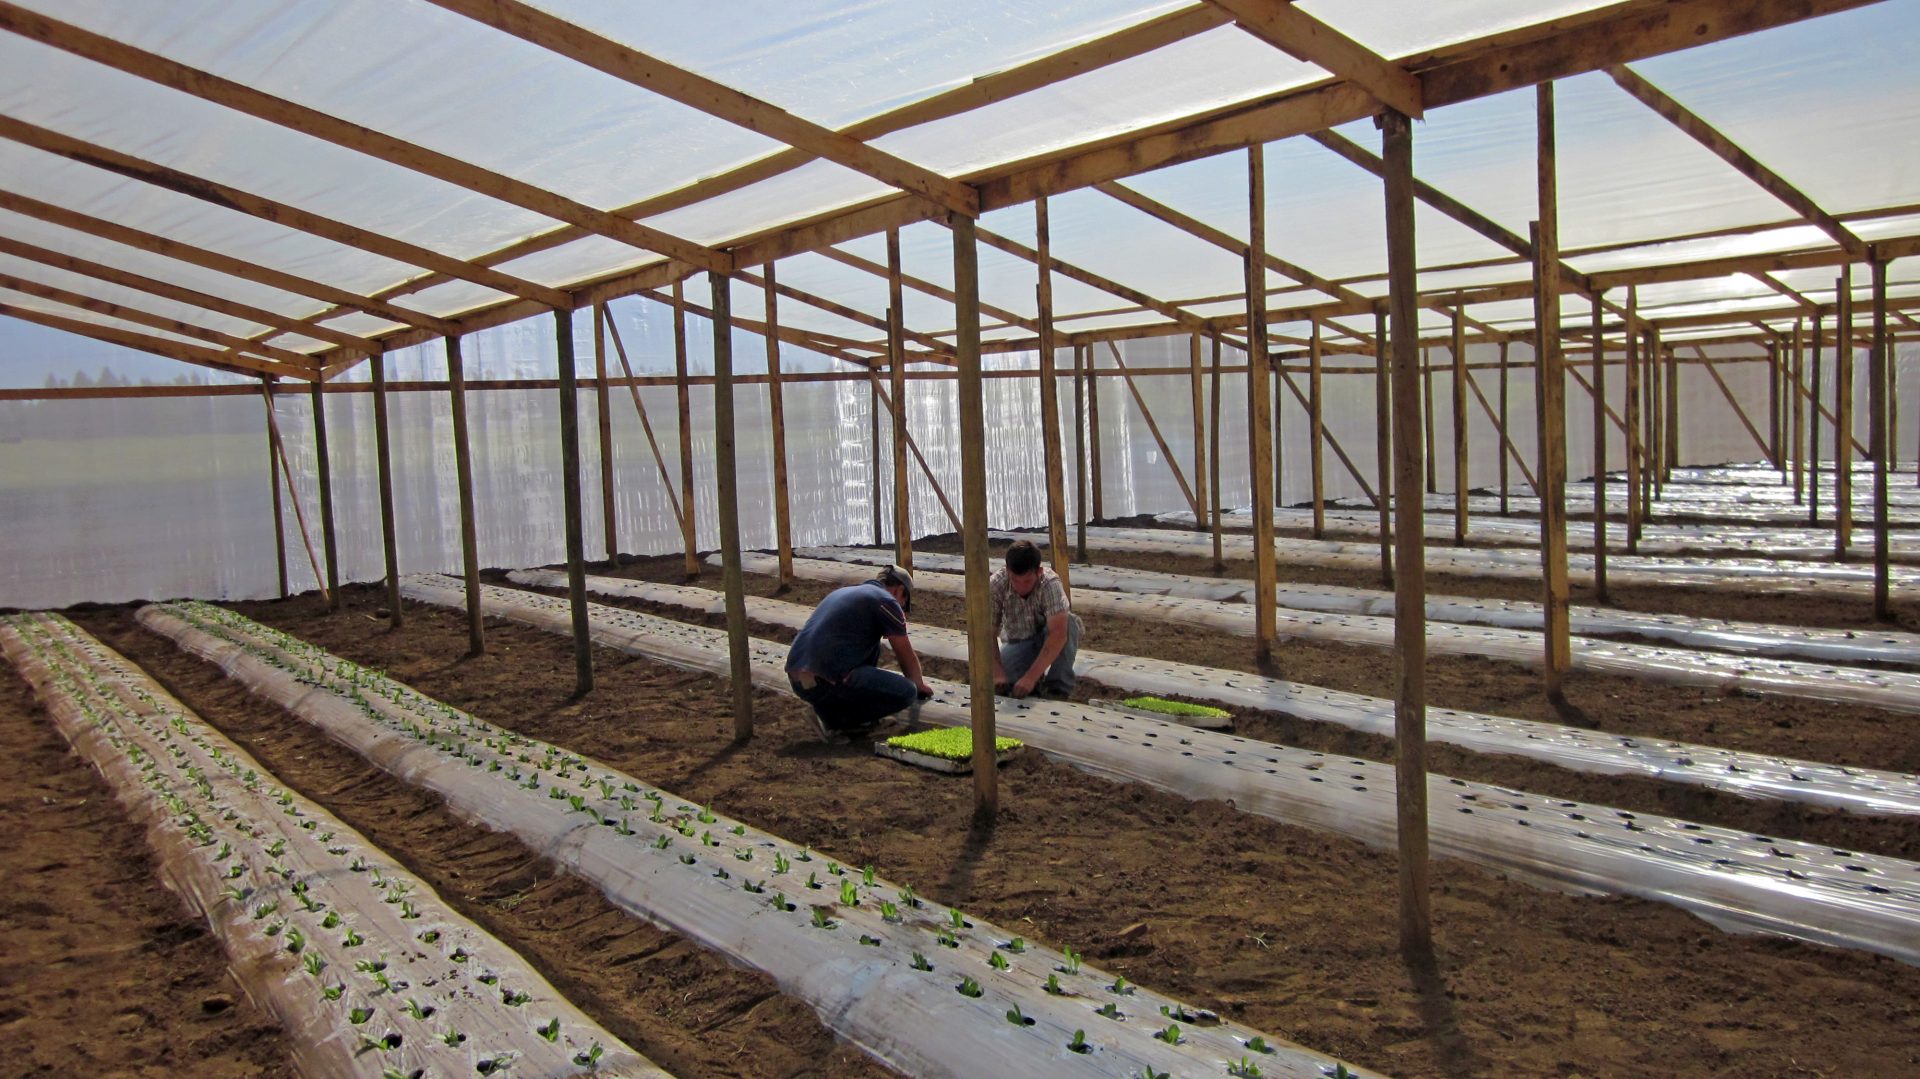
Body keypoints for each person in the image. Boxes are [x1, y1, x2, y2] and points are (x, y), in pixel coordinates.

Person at [785, 564, 933, 740]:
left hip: (798, 680)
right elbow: (904, 653)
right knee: (907, 692)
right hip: (825, 680)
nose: (902, 608)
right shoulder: (886, 601)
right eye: (904, 603)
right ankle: (834, 720)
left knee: (873, 648)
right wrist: (918, 685)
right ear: (899, 590)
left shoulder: (844, 593)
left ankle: (823, 708)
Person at [990, 539, 1081, 699]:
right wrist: (998, 674)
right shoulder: (997, 584)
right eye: (1015, 580)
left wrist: (1029, 678)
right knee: (1009, 682)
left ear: (1038, 572)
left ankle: (1058, 689)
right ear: (1007, 571)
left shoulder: (1049, 583)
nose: (1020, 586)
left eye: (1026, 581)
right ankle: (1033, 683)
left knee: (1069, 623)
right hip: (1017, 643)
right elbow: (986, 634)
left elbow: (1058, 634)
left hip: (1048, 637)